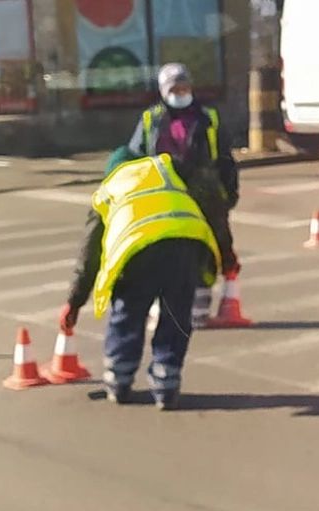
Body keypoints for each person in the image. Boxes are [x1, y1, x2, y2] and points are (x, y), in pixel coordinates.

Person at [60, 154, 220, 410]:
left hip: (137, 251)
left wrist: (74, 301)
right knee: (176, 316)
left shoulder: (108, 191)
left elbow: (90, 254)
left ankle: (119, 382)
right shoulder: (169, 174)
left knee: (128, 314)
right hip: (185, 243)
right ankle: (166, 386)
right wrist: (223, 255)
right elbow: (211, 204)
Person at [125, 63, 245, 328]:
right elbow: (135, 158)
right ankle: (163, 309)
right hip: (165, 195)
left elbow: (225, 158)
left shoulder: (208, 117)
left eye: (184, 86)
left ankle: (199, 312)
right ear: (163, 90)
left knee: (207, 250)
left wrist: (229, 191)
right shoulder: (150, 119)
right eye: (174, 88)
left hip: (205, 195)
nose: (180, 92)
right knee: (164, 250)